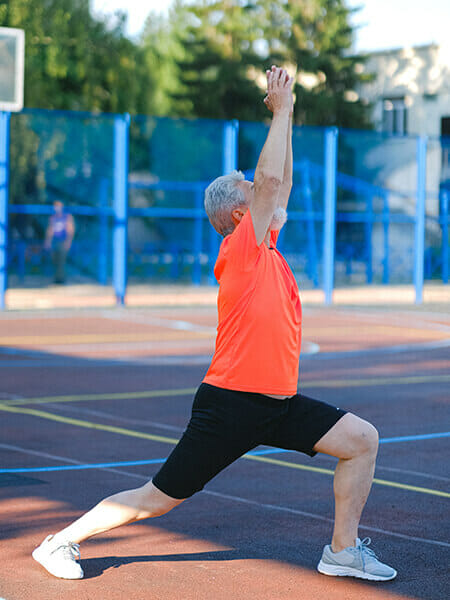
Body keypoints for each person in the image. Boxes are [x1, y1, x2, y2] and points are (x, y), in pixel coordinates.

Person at [32, 66, 396, 582]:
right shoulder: (243, 250)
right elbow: (271, 180)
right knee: (155, 500)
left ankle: (341, 551)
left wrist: (286, 119)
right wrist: (283, 111)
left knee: (362, 439)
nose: (268, 194)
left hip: (278, 403)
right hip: (230, 405)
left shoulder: (265, 244)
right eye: (255, 192)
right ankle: (59, 542)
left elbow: (280, 180)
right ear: (240, 215)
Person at [44, 201, 75, 284]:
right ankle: (56, 278)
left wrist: (68, 241)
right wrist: (48, 241)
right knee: (54, 260)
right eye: (55, 206)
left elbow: (70, 230)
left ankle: (61, 279)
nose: (57, 208)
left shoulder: (67, 217)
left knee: (62, 260)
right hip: (55, 241)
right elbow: (50, 230)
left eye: (59, 206)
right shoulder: (53, 217)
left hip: (63, 241)